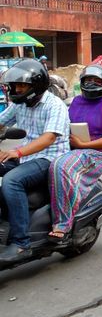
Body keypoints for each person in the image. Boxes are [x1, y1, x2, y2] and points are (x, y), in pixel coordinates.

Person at [0, 59, 69, 263]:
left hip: (49, 157)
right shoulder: (20, 103)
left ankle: (21, 242)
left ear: (36, 86)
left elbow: (49, 138)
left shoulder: (54, 105)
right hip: (27, 155)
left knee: (12, 181)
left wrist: (18, 152)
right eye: (15, 86)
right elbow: (2, 122)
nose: (17, 89)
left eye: (22, 86)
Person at [47, 65, 102, 242]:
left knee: (60, 166)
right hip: (75, 147)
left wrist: (83, 144)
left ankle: (63, 224)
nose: (92, 83)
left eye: (97, 81)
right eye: (88, 80)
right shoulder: (77, 101)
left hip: (99, 153)